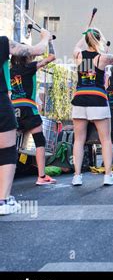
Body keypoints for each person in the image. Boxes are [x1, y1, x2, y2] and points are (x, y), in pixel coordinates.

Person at [72, 28, 113, 187]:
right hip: (97, 99)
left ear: (86, 40)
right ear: (99, 40)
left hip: (79, 98)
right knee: (105, 139)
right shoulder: (102, 58)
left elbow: (77, 46)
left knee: (79, 140)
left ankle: (77, 176)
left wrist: (83, 34)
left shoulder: (79, 55)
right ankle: (108, 175)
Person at [0, 29, 51, 215]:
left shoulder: (12, 68)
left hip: (12, 105)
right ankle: (4, 198)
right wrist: (46, 38)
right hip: (13, 106)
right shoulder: (5, 44)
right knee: (10, 149)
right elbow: (43, 53)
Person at [10, 39, 57, 185]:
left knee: (9, 146)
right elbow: (51, 57)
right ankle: (41, 176)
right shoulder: (28, 67)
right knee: (39, 141)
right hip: (28, 108)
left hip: (12, 109)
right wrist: (49, 40)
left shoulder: (8, 71)